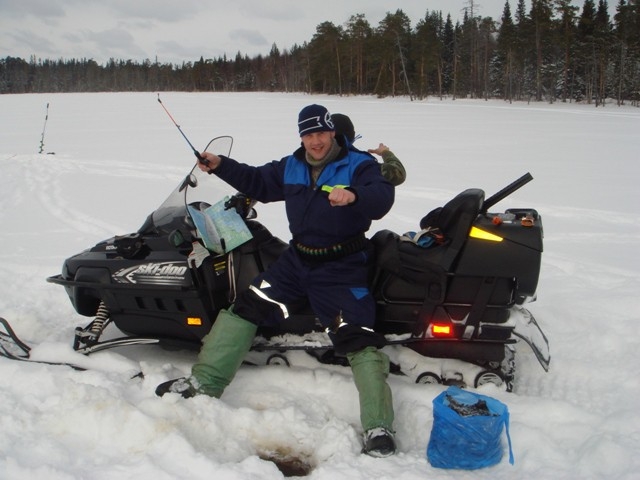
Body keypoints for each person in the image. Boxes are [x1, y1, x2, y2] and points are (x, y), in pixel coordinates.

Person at [156, 104, 397, 457]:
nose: (315, 141)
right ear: (301, 136)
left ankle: (378, 426)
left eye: (321, 133)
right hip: (296, 262)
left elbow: (382, 196)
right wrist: (220, 164)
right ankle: (203, 383)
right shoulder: (293, 165)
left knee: (357, 338)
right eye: (308, 134)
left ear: (333, 133)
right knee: (245, 308)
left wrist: (355, 195)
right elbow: (258, 181)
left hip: (340, 266)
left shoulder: (358, 165)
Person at [331, 113, 406, 187]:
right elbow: (398, 173)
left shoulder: (320, 161)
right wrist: (385, 152)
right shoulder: (361, 166)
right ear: (352, 135)